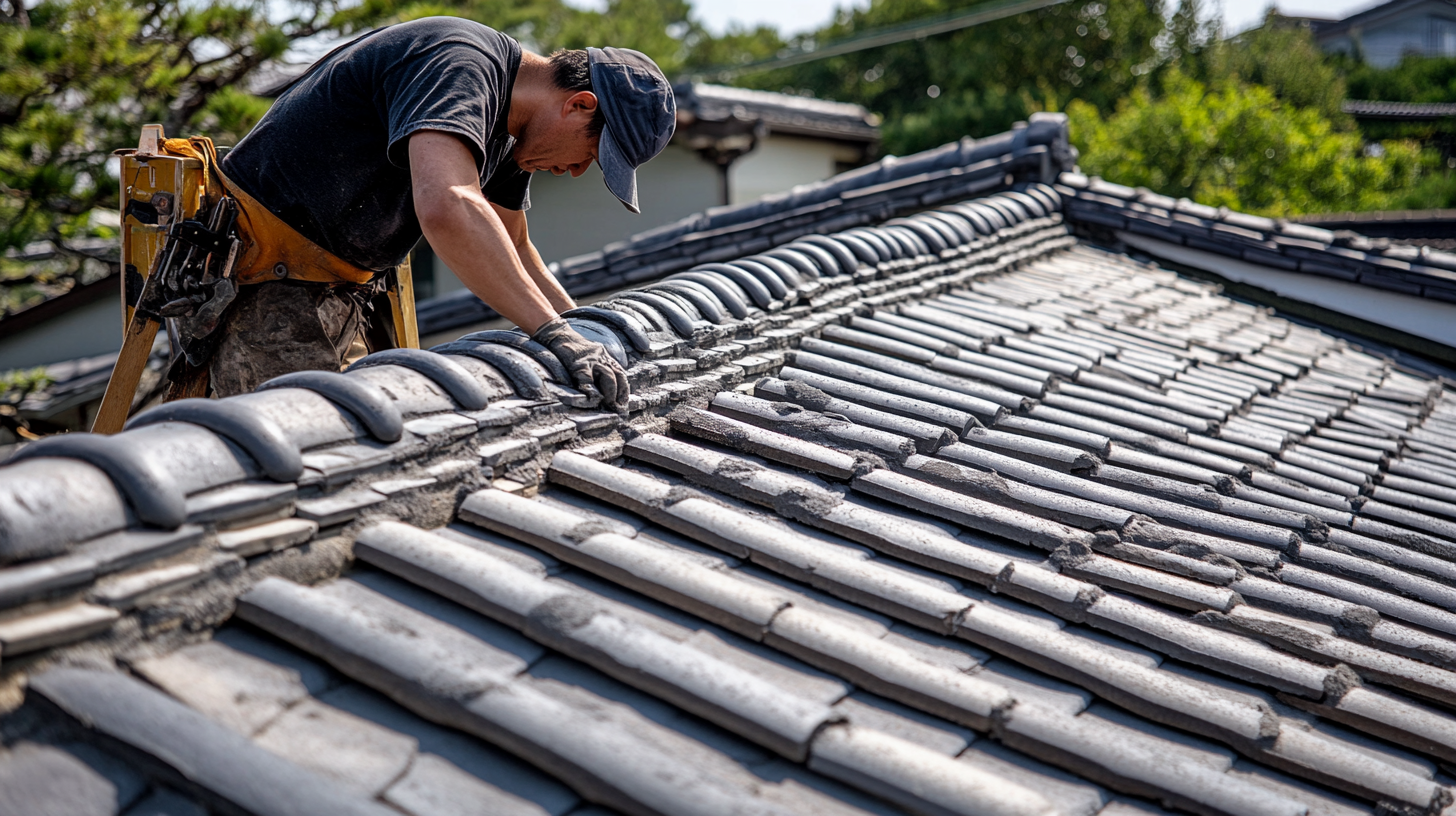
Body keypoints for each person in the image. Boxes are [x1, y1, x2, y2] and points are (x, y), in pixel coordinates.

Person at [213, 16, 676, 409]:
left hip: (337, 292)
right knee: (294, 447)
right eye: (592, 153)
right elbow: (449, 204)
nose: (576, 171)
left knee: (368, 430)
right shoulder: (460, 63)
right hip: (260, 277)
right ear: (578, 105)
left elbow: (512, 243)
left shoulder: (515, 133)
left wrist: (583, 333)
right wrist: (556, 335)